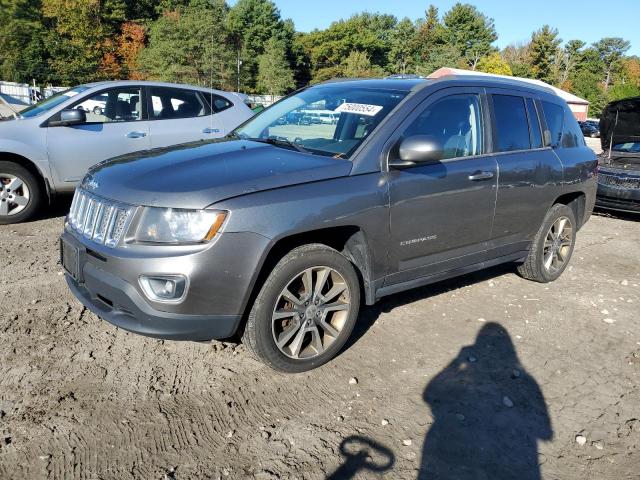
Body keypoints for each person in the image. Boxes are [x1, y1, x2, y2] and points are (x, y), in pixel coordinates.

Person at [420, 323, 552, 479]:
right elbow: (545, 433)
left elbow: (429, 394)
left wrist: (456, 362)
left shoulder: (525, 381)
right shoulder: (528, 381)